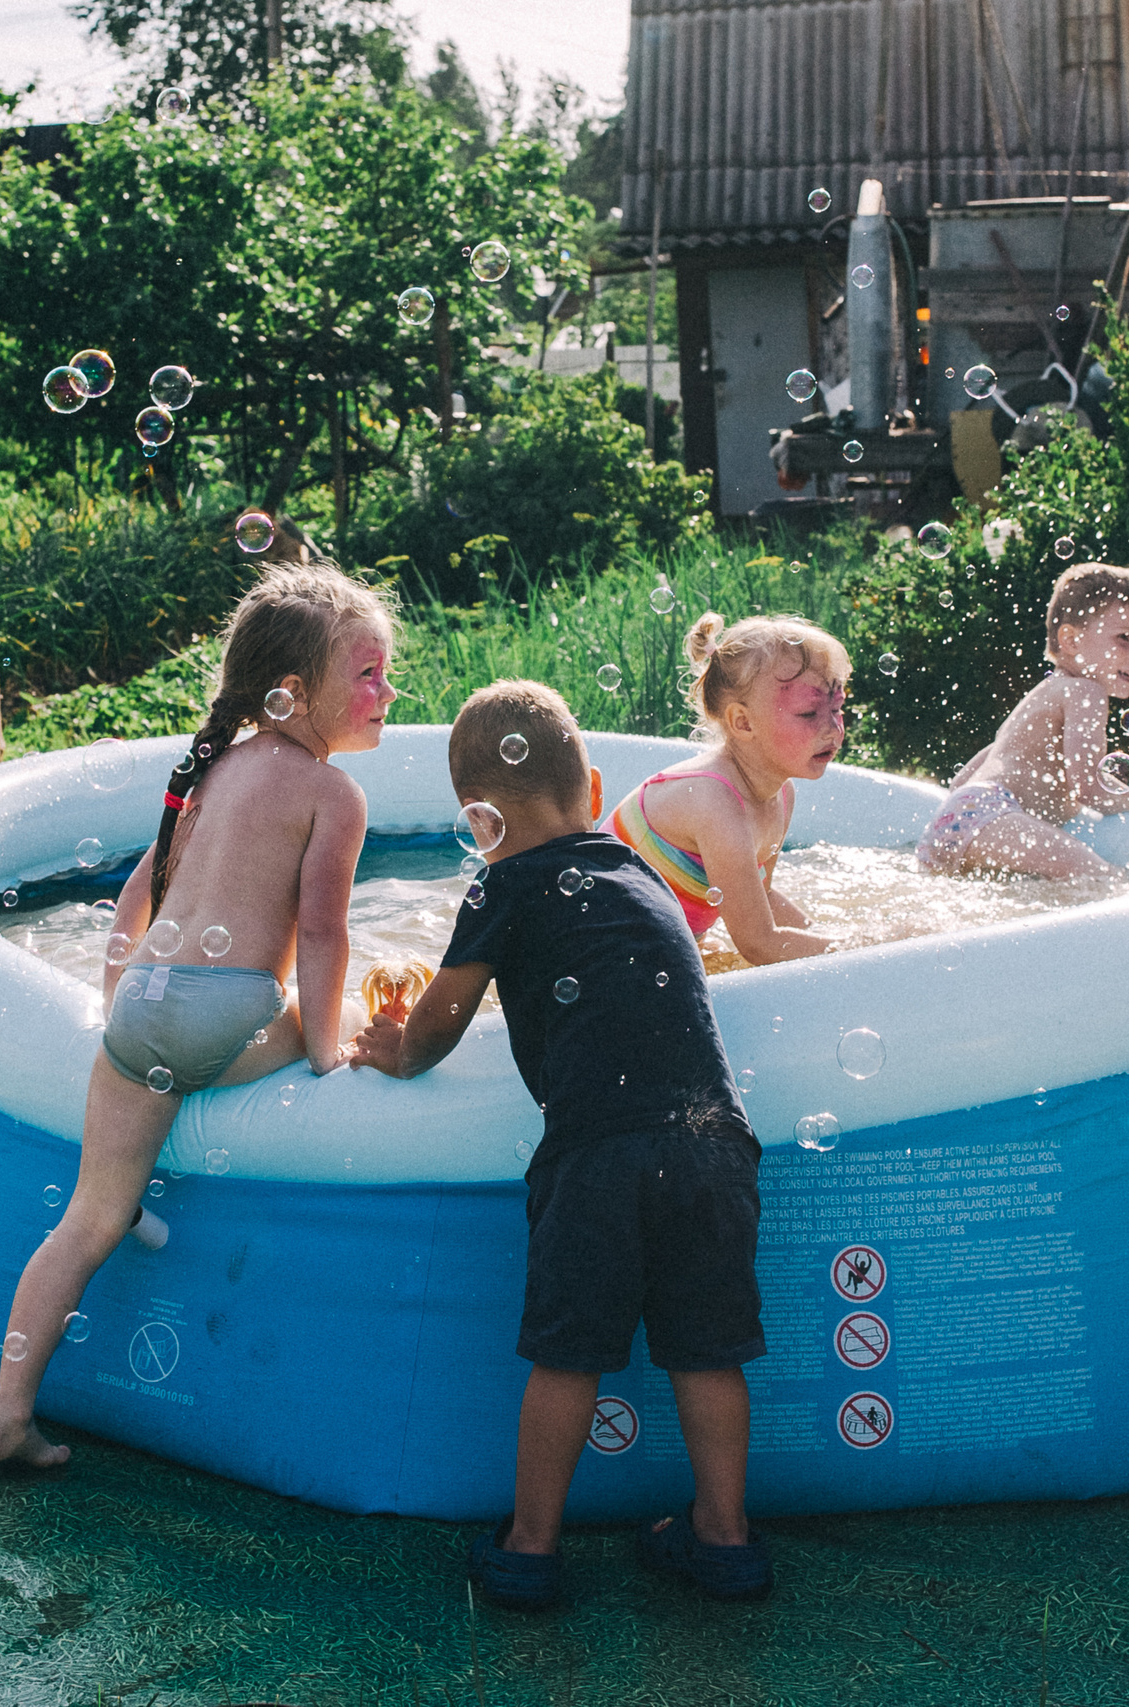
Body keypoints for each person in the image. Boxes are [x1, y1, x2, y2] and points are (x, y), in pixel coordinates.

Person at [351, 680, 771, 1609]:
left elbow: (431, 1036)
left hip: (599, 1157)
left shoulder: (501, 885)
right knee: (709, 1352)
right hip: (713, 1146)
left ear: (478, 822)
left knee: (568, 1358)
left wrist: (387, 1042)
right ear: (590, 787)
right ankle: (727, 1537)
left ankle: (531, 1546)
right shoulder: (639, 873)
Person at [0, 562, 396, 1469]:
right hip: (230, 1013)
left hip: (142, 1016)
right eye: (365, 673)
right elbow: (323, 935)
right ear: (292, 692)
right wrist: (324, 1051)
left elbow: (138, 895)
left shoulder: (218, 770)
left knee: (88, 1216)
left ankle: (6, 1410)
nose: (386, 690)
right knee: (344, 1015)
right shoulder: (334, 793)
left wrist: (120, 985)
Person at [608, 613, 849, 964]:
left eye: (838, 708)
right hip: (600, 950)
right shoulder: (712, 801)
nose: (833, 729)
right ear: (743, 722)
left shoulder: (781, 793)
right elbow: (759, 943)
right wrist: (853, 948)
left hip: (647, 951)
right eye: (809, 713)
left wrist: (829, 937)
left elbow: (760, 897)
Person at [916, 561, 1129, 882]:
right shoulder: (1085, 691)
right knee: (1107, 881)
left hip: (954, 820)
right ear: (1071, 641)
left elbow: (962, 780)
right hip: (991, 814)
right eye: (1123, 638)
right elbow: (1088, 786)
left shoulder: (1040, 698)